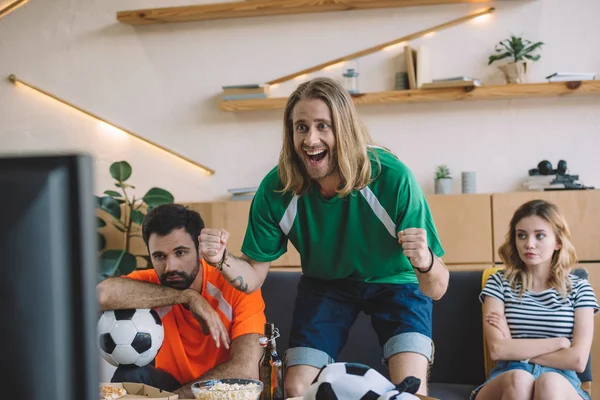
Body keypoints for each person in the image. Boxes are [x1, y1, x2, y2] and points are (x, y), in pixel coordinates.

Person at [198, 77, 449, 397]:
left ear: (343, 129)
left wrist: (425, 260)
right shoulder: (278, 188)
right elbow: (253, 275)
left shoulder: (391, 176)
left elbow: (436, 288)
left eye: (323, 126)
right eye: (301, 127)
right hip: (327, 285)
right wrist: (222, 259)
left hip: (397, 281)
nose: (310, 139)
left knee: (410, 390)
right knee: (297, 388)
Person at [97, 204, 266, 399]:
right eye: (159, 256)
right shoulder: (153, 284)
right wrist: (187, 296)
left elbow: (247, 370)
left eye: (180, 253)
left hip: (219, 393)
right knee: (130, 375)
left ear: (200, 251)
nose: (170, 267)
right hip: (170, 386)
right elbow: (101, 295)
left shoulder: (236, 285)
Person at [473, 199, 599, 400]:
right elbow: (498, 350)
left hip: (563, 381)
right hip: (508, 376)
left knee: (549, 383)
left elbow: (577, 360)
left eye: (539, 236)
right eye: (521, 235)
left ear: (558, 241)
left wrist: (514, 347)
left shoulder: (580, 289)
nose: (529, 244)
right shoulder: (498, 283)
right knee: (520, 380)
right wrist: (559, 343)